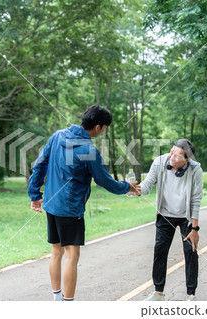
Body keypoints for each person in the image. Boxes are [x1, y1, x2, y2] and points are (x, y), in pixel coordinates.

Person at [28, 105, 140, 301]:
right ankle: (68, 305)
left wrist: (34, 193)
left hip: (52, 204)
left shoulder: (57, 136)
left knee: (56, 251)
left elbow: (40, 165)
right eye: (105, 128)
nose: (104, 131)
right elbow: (105, 181)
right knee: (71, 255)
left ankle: (57, 299)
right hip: (70, 208)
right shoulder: (89, 150)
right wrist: (127, 186)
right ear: (98, 127)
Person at [138, 138, 203, 301]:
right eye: (171, 152)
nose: (171, 157)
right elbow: (147, 185)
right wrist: (134, 189)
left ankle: (191, 295)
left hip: (185, 217)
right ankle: (158, 293)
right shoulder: (159, 162)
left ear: (187, 159)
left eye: (177, 156)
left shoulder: (195, 170)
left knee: (191, 252)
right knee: (160, 251)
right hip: (165, 215)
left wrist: (195, 229)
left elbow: (196, 200)